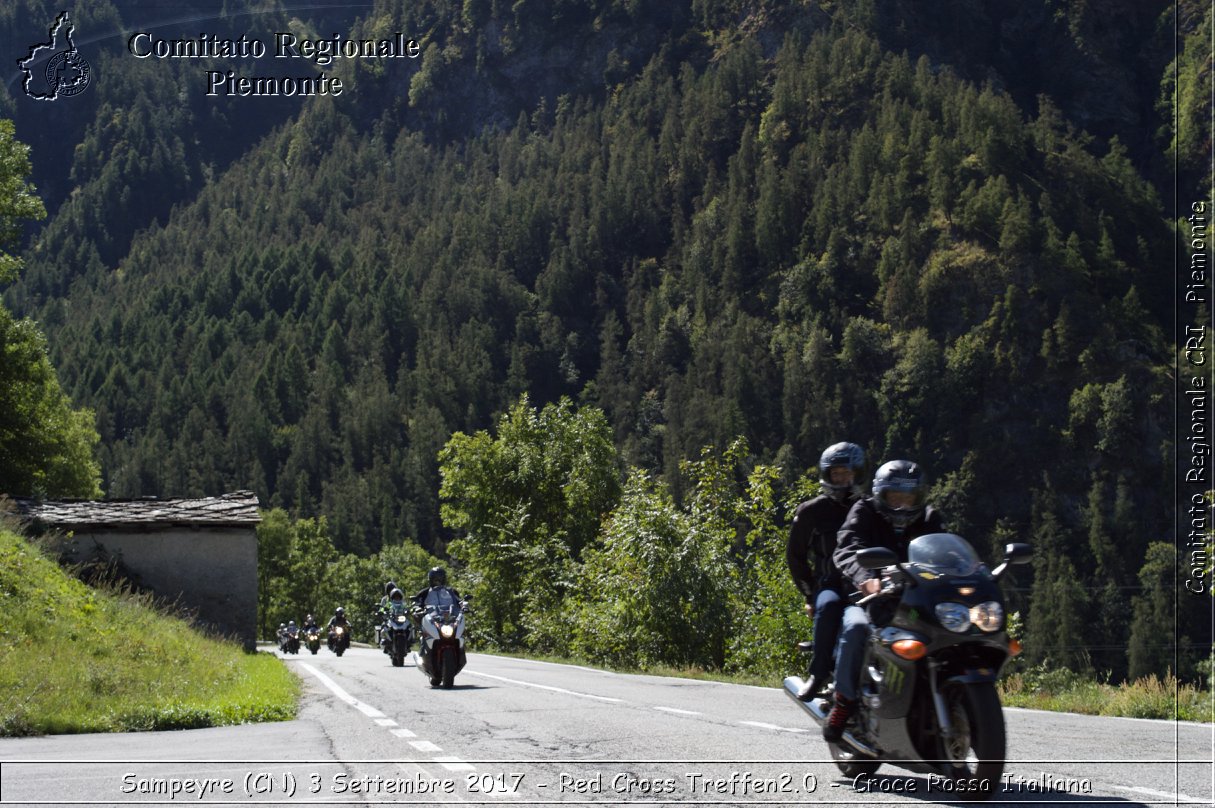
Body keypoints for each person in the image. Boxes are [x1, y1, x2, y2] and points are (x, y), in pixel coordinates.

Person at [823, 459, 944, 742]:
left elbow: (945, 549)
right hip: (869, 597)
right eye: (895, 497)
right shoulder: (865, 510)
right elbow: (847, 546)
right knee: (855, 629)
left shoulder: (929, 517)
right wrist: (865, 577)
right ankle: (844, 703)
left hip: (915, 599)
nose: (902, 504)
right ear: (882, 495)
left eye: (909, 497)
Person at [785, 441, 867, 701]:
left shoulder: (869, 508)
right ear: (827, 475)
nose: (842, 479)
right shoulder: (812, 511)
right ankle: (818, 674)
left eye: (847, 473)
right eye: (836, 474)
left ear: (858, 473)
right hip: (829, 583)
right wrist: (809, 594)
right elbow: (795, 556)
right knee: (828, 606)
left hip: (866, 584)